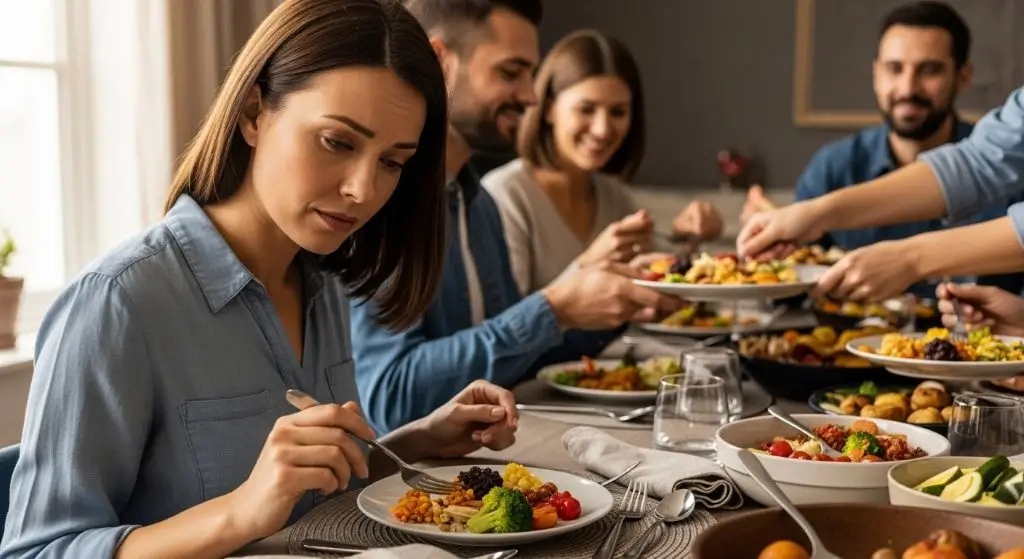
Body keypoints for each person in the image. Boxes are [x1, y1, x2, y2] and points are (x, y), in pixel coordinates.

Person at [1, 2, 520, 558]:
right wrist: (240, 511)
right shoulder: (118, 303)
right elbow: (37, 552)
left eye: (392, 161)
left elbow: (306, 488)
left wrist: (417, 440)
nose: (363, 190)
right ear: (253, 112)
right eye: (338, 142)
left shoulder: (325, 284)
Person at [349, 0, 682, 435]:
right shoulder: (382, 203)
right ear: (439, 63)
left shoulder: (479, 203)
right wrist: (554, 306)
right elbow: (391, 399)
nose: (529, 96)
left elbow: (515, 359)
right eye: (511, 73)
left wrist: (613, 298)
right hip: (406, 488)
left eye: (531, 73)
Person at [739, 1, 1023, 298]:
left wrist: (910, 259)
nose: (907, 88)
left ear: (963, 75)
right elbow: (978, 166)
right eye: (894, 68)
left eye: (930, 70)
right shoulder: (834, 165)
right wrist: (813, 214)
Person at [481, 29, 723, 296]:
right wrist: (588, 265)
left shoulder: (613, 196)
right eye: (586, 109)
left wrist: (688, 237)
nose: (602, 129)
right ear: (548, 108)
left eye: (617, 112)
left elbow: (662, 279)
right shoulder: (505, 195)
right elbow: (503, 323)